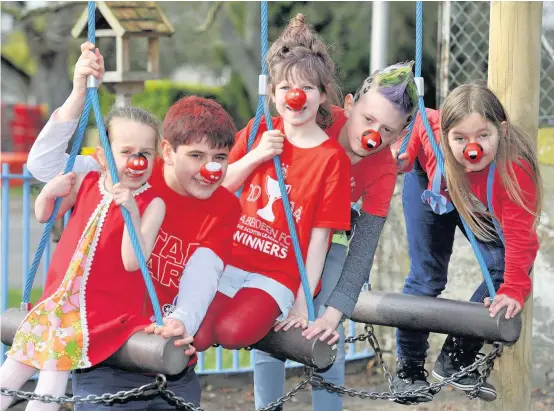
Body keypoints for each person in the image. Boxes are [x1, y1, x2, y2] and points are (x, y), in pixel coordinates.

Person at [22, 42, 242, 411]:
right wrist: (79, 93)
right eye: (197, 157)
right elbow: (44, 167)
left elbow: (204, 270)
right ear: (168, 152)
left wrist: (181, 321)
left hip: (165, 355)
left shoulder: (224, 206)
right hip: (106, 351)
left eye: (220, 158)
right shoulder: (134, 173)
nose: (212, 170)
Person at [248, 15, 419, 411]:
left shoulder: (382, 169)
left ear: (401, 132)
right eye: (368, 119)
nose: (373, 135)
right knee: (268, 324)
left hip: (333, 240)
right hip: (281, 230)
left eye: (389, 130)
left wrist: (333, 312)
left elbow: (363, 250)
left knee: (326, 333)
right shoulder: (314, 121)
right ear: (348, 105)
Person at [177, 13, 351, 356]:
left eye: (306, 89)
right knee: (195, 336)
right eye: (286, 88)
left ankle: (263, 310)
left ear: (321, 95)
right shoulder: (260, 129)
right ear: (272, 93)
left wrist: (303, 302)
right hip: (230, 257)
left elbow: (320, 237)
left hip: (277, 272)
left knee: (231, 332)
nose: (295, 97)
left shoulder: (332, 159)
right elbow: (215, 187)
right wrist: (255, 156)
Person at [0, 93, 165, 411]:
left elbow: (133, 262)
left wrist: (130, 212)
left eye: (145, 153)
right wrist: (48, 192)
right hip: (60, 301)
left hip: (101, 312)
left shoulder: (151, 204)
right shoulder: (87, 182)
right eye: (126, 152)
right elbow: (44, 215)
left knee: (52, 370)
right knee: (16, 364)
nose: (136, 161)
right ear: (103, 157)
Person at [392, 84, 541, 404]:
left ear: (500, 130)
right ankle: (410, 370)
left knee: (506, 272)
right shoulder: (434, 135)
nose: (472, 148)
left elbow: (521, 238)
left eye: (482, 136)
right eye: (459, 138)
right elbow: (420, 119)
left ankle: (456, 357)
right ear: (445, 134)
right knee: (426, 276)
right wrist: (407, 152)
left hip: (475, 198)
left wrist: (514, 288)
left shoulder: (513, 170)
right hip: (433, 188)